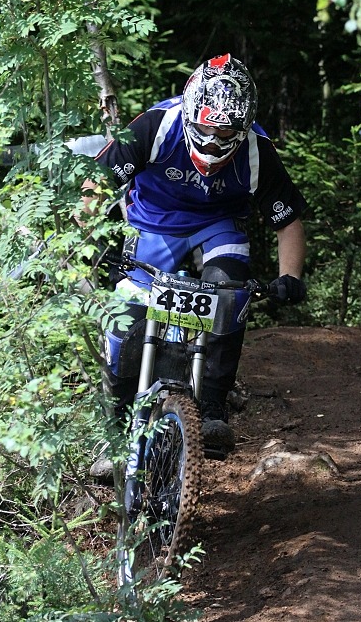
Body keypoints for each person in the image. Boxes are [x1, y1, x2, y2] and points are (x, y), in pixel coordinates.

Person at [83, 53, 307, 479]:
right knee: (126, 315)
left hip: (217, 225)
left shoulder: (256, 150)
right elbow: (94, 186)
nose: (214, 140)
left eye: (226, 132)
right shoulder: (156, 126)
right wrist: (94, 244)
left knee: (229, 294)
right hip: (152, 222)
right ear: (190, 114)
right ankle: (115, 432)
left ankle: (211, 410)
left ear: (243, 127)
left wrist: (289, 277)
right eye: (205, 128)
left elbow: (287, 221)